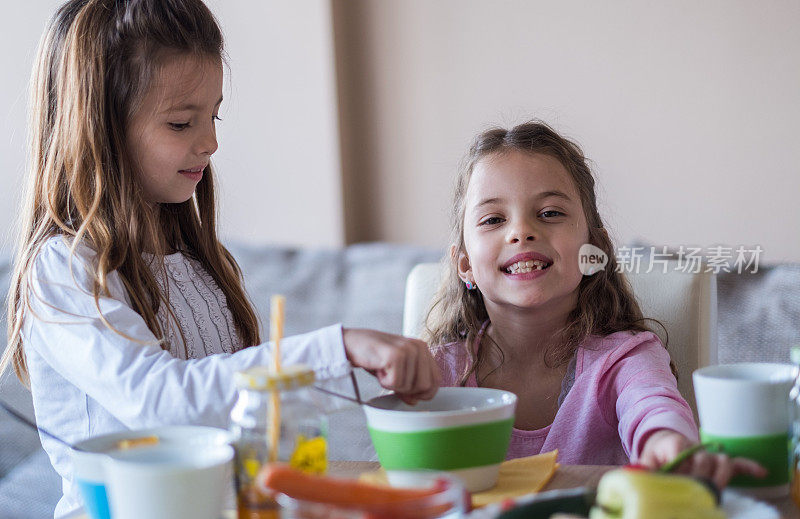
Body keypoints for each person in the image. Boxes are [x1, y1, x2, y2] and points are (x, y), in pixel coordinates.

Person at [0, 1, 439, 516]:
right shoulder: (63, 271)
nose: (210, 142)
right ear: (100, 129)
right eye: (181, 123)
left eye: (214, 115)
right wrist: (338, 348)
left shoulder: (193, 260)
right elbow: (159, 401)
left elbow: (231, 412)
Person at [424, 120, 765, 490]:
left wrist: (669, 443)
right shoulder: (437, 373)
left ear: (595, 250)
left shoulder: (624, 360)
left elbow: (653, 408)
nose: (521, 231)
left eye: (550, 212)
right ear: (465, 264)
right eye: (493, 219)